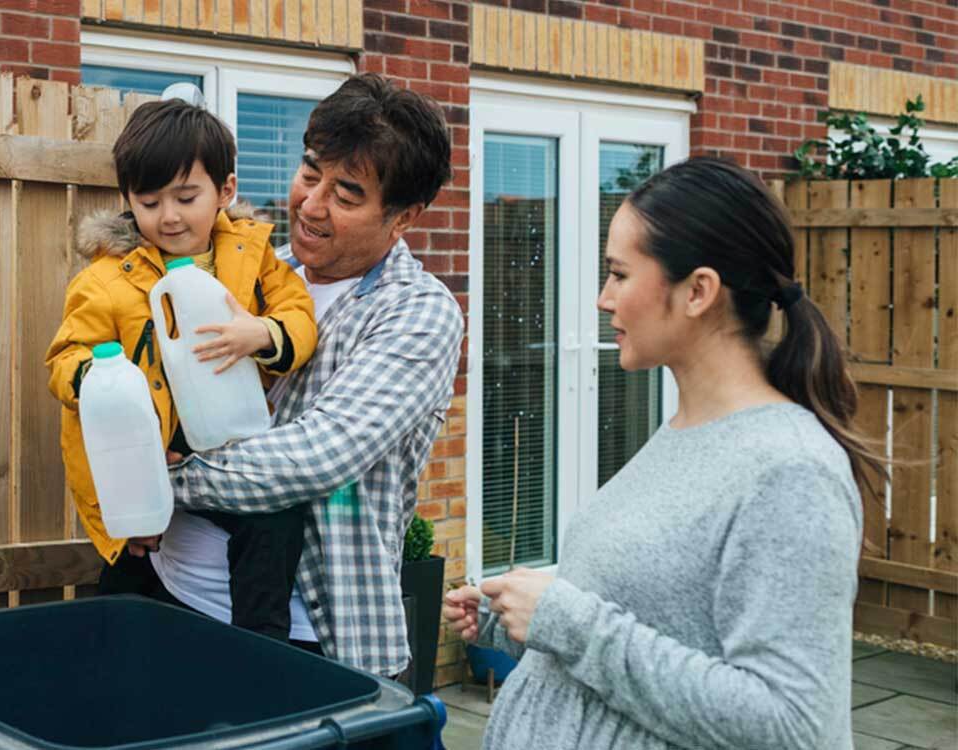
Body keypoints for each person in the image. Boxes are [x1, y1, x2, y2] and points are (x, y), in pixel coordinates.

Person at [442, 156, 880, 749]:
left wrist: (569, 624)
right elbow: (654, 621)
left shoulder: (790, 471)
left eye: (619, 274)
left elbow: (788, 725)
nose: (603, 298)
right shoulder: (680, 431)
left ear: (698, 290)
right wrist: (519, 619)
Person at [129, 73, 463, 677]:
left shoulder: (418, 312)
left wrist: (155, 489)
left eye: (347, 193)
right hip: (169, 588)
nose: (311, 204)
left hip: (308, 630)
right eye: (310, 173)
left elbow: (315, 459)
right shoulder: (258, 273)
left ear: (404, 216)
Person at [45, 97, 320, 641]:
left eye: (186, 197)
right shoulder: (106, 279)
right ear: (128, 201)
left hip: (230, 445)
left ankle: (261, 648)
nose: (169, 216)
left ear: (227, 190)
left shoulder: (254, 258)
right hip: (145, 452)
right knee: (134, 560)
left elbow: (298, 314)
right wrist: (102, 380)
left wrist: (264, 333)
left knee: (275, 519)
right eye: (149, 202)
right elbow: (65, 357)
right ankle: (112, 650)